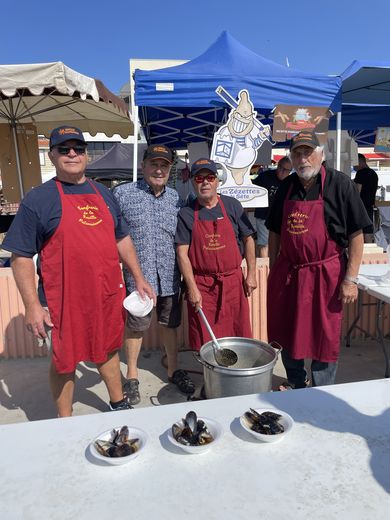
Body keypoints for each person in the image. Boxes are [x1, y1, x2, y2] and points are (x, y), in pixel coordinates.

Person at [2, 126, 154, 417]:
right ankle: (64, 418)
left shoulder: (104, 193)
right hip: (63, 301)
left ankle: (117, 402)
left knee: (108, 349)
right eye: (64, 149)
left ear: (86, 154)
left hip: (106, 295)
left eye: (78, 148)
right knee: (64, 360)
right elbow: (20, 257)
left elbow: (121, 238)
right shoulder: (38, 199)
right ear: (54, 154)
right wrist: (32, 306)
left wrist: (139, 278)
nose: (72, 154)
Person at [266, 131, 371, 390]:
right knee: (289, 329)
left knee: (324, 334)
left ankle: (322, 390)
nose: (303, 159)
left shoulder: (340, 184)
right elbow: (274, 232)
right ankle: (295, 382)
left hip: (327, 276)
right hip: (290, 273)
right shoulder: (286, 187)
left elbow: (357, 235)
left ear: (321, 154)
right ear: (291, 157)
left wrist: (351, 279)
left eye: (308, 152)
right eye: (297, 153)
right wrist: (273, 268)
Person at [113, 144, 195, 404]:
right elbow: (111, 233)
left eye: (164, 165)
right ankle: (132, 376)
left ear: (170, 169)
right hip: (139, 278)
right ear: (143, 166)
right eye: (154, 164)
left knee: (170, 325)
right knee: (136, 327)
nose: (158, 169)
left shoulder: (176, 199)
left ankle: (173, 369)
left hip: (170, 276)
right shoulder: (122, 194)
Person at [175, 158, 257, 352]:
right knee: (206, 338)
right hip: (202, 286)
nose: (205, 182)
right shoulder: (186, 213)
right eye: (199, 178)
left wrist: (251, 274)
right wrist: (192, 288)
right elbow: (182, 253)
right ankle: (212, 379)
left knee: (238, 333)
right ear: (193, 181)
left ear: (217, 181)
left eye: (210, 177)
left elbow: (249, 239)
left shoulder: (232, 206)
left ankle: (237, 376)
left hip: (233, 283)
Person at [252, 157, 292, 257]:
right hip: (263, 215)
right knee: (264, 243)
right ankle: (264, 271)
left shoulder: (291, 181)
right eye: (281, 168)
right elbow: (252, 190)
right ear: (278, 166)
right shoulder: (265, 176)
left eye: (286, 170)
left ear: (290, 171)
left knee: (282, 244)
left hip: (282, 217)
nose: (282, 172)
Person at [353, 153, 379, 242]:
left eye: (354, 163)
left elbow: (357, 191)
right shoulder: (374, 173)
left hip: (361, 206)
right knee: (368, 230)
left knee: (358, 231)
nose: (354, 166)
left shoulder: (361, 173)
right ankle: (369, 250)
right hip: (370, 205)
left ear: (360, 162)